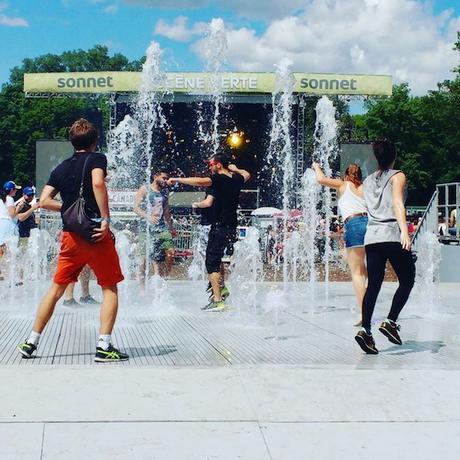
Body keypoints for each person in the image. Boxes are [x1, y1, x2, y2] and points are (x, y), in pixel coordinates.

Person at [17, 118, 128, 362]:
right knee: (109, 287)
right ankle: (104, 346)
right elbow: (98, 182)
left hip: (70, 237)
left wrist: (68, 208)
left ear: (72, 142)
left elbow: (43, 201)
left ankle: (31, 342)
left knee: (56, 289)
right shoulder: (97, 158)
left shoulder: (61, 168)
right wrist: (106, 219)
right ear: (95, 141)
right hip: (96, 236)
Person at [168, 152, 250, 311]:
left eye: (211, 164)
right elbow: (247, 174)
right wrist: (236, 168)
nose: (210, 167)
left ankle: (218, 301)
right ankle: (222, 287)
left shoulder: (219, 179)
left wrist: (177, 179)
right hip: (231, 227)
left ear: (219, 165)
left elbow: (199, 181)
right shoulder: (236, 179)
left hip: (219, 226)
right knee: (217, 258)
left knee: (211, 262)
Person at [355, 140, 415, 355]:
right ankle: (390, 321)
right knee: (407, 279)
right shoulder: (398, 175)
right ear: (394, 155)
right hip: (391, 233)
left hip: (372, 237)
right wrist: (404, 232)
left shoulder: (368, 181)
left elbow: (361, 200)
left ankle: (365, 330)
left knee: (374, 284)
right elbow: (398, 203)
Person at [313, 162, 368, 326]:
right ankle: (369, 292)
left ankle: (364, 314)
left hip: (354, 224)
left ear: (346, 175)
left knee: (356, 273)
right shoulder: (364, 187)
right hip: (370, 224)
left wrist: (316, 166)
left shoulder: (343, 184)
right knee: (363, 269)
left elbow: (321, 179)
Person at [134, 170, 176, 282]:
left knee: (171, 252)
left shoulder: (165, 192)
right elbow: (136, 208)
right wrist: (148, 217)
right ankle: (142, 290)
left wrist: (171, 227)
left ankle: (164, 278)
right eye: (164, 178)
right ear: (155, 177)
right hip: (146, 228)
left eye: (167, 178)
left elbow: (166, 211)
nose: (166, 180)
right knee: (142, 259)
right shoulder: (144, 189)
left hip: (161, 227)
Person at [192, 187, 229, 300]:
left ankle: (217, 286)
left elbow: (208, 203)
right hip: (220, 226)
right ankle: (221, 285)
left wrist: (197, 204)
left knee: (210, 259)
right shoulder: (227, 187)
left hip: (208, 227)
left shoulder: (214, 186)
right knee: (216, 258)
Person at [16, 186, 40, 284]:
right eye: (29, 195)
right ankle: (18, 279)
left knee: (23, 256)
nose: (31, 197)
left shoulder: (27, 205)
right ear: (24, 195)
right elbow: (20, 217)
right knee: (20, 256)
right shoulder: (21, 204)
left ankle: (20, 278)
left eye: (32, 195)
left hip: (25, 234)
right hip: (20, 235)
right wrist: (33, 209)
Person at [0, 181, 21, 281]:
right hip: (8, 225)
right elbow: (12, 214)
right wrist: (18, 207)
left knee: (2, 250)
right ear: (11, 190)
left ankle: (3, 272)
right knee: (9, 250)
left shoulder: (2, 199)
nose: (16, 191)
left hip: (1, 224)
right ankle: (9, 274)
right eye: (15, 189)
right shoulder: (10, 199)